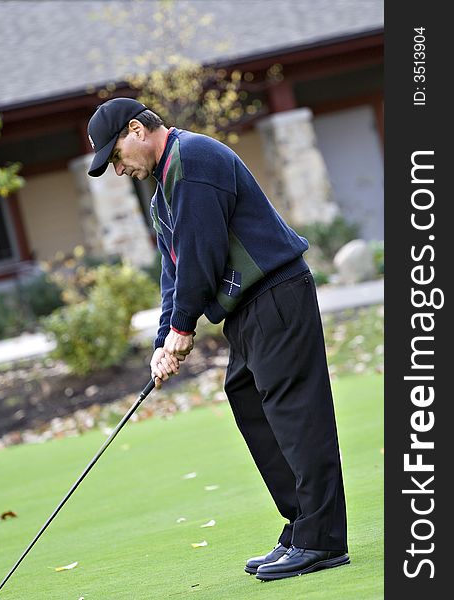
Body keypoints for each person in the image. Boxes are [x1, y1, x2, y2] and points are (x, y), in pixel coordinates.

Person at [87, 97, 350, 581]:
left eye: (117, 156)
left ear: (137, 130)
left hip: (276, 294)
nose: (119, 169)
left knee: (296, 414)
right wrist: (163, 340)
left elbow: (202, 255)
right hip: (248, 310)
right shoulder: (163, 191)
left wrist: (183, 331)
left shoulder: (194, 160)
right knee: (249, 401)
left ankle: (323, 541)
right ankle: (302, 524)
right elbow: (174, 269)